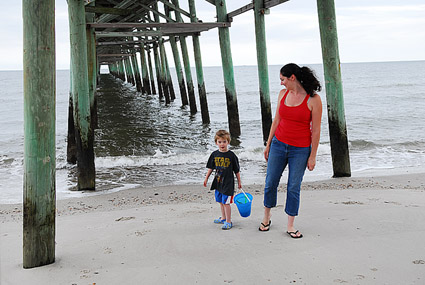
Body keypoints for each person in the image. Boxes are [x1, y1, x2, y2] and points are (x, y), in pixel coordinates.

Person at [259, 63, 322, 238]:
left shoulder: (313, 100)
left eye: (282, 79)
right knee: (270, 182)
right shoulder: (282, 94)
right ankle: (266, 216)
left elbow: (316, 130)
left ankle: (291, 225)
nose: (281, 83)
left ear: (292, 78)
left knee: (293, 186)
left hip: (300, 150)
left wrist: (313, 156)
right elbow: (276, 120)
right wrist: (269, 143)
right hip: (279, 145)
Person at [204, 130, 242, 230]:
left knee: (226, 202)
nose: (222, 144)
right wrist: (206, 178)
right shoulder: (214, 154)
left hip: (228, 183)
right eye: (220, 142)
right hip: (218, 182)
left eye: (224, 142)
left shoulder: (232, 155)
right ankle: (223, 218)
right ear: (216, 142)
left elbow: (236, 170)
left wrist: (239, 182)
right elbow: (211, 168)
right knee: (220, 201)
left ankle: (228, 221)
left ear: (228, 142)